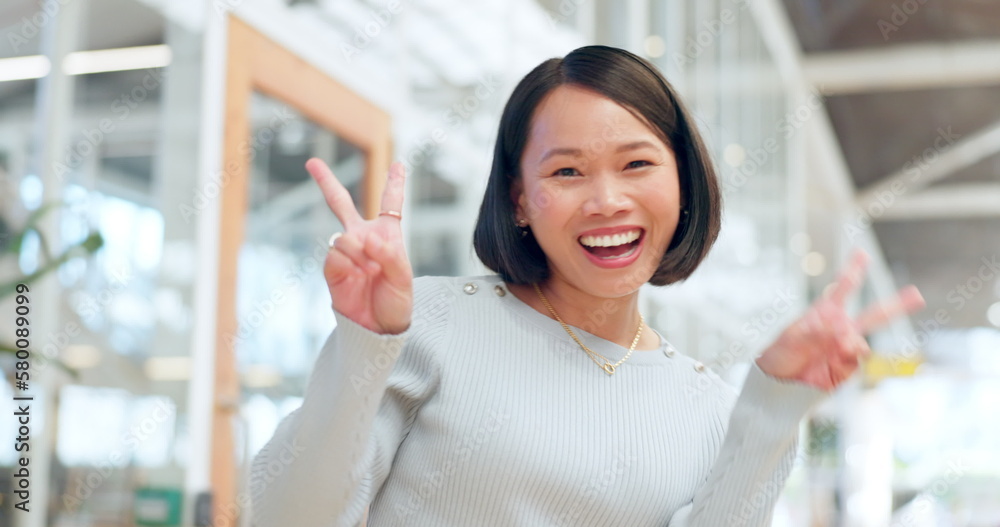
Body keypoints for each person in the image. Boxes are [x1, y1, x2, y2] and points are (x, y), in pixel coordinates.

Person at [249, 45, 925, 526]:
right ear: (519, 200)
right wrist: (365, 346)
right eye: (567, 172)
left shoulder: (708, 405)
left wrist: (775, 401)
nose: (606, 200)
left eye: (636, 163)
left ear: (683, 182)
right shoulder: (427, 324)